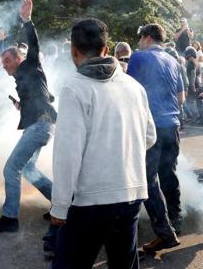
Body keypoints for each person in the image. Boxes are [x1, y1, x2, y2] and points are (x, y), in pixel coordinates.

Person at [50, 18, 156, 269]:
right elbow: (149, 136)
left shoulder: (74, 88)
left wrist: (60, 206)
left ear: (73, 51)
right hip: (130, 194)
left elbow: (68, 153)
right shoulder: (134, 86)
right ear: (106, 50)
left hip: (90, 202)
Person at [0, 0, 56, 233]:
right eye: (2, 63)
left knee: (11, 168)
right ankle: (60, 204)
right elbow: (42, 96)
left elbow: (34, 45)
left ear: (19, 58)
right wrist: (22, 106)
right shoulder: (22, 77)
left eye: (7, 61)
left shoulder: (31, 65)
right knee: (27, 168)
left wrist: (27, 20)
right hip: (39, 124)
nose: (4, 66)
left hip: (41, 125)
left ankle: (10, 219)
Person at [128, 23, 183, 252]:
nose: (139, 41)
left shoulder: (139, 57)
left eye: (141, 37)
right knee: (168, 173)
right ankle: (176, 219)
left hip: (152, 127)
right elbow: (181, 98)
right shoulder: (174, 61)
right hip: (173, 124)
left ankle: (164, 233)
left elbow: (127, 91)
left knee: (149, 180)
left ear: (148, 38)